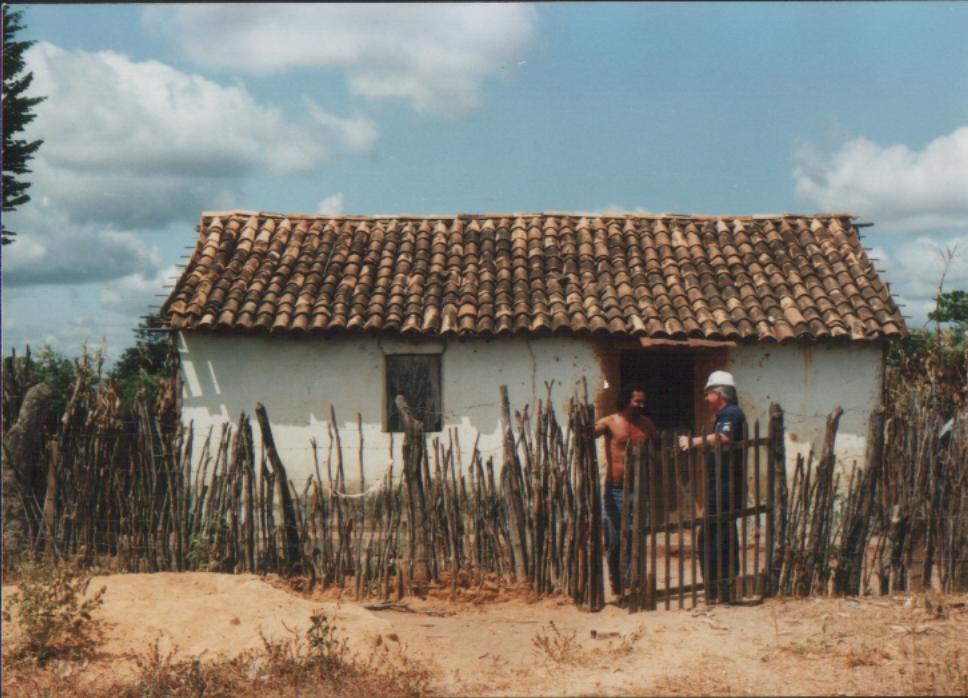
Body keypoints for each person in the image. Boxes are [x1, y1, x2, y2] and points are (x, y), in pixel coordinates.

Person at [678, 370, 747, 604]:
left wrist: (694, 442)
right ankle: (720, 588)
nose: (706, 399)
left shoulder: (731, 413)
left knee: (714, 536)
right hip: (721, 484)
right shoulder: (726, 414)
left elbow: (725, 438)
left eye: (708, 394)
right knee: (719, 535)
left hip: (726, 486)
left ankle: (719, 588)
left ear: (720, 394)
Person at [595, 383, 660, 596]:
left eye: (643, 401)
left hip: (639, 490)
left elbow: (660, 448)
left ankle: (634, 582)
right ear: (626, 401)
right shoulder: (610, 422)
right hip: (615, 490)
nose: (641, 405)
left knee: (636, 537)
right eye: (637, 401)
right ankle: (616, 578)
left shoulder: (647, 425)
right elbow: (586, 435)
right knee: (614, 539)